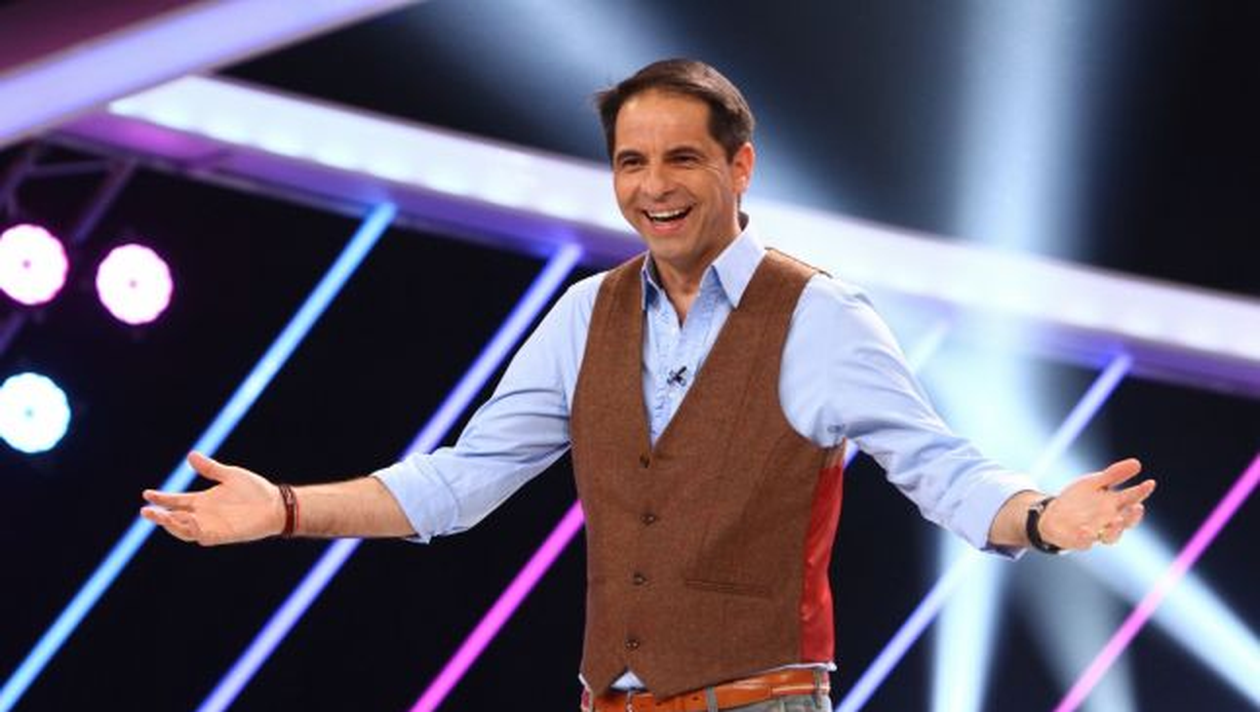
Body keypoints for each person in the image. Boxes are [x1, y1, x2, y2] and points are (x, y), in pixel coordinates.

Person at [142, 59, 1155, 712]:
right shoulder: (585, 314)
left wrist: (1039, 518)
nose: (653, 186)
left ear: (741, 167)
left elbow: (938, 467)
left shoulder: (819, 315)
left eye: (681, 159)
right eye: (630, 162)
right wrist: (284, 509)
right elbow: (462, 481)